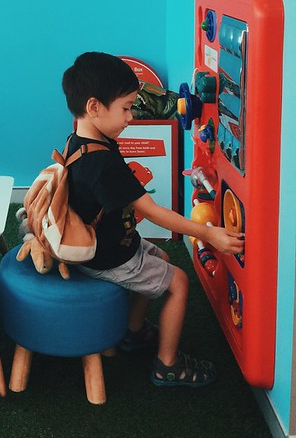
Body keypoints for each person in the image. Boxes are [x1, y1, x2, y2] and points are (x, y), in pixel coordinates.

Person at [61, 51, 244, 387]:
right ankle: (167, 365)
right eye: (126, 108)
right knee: (179, 282)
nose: (131, 117)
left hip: (113, 242)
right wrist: (209, 234)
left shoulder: (80, 141)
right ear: (94, 107)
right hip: (107, 257)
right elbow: (154, 212)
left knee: (161, 258)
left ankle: (133, 331)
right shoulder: (102, 163)